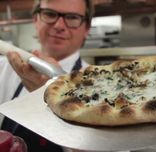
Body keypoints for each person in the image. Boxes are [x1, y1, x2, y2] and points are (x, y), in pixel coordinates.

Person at [0, 0, 94, 151]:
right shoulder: (4, 68)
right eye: (50, 14)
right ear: (36, 19)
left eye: (72, 18)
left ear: (86, 28)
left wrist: (51, 95)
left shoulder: (99, 84)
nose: (59, 26)